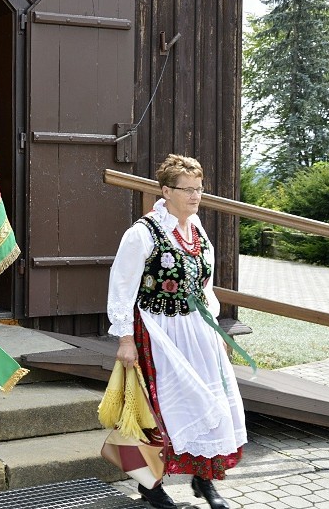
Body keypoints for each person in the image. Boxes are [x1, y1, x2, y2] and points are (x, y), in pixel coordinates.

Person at [108, 154, 245, 509]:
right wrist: (125, 338)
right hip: (157, 332)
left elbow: (206, 284)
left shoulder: (198, 229)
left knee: (209, 402)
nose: (196, 196)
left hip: (197, 332)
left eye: (199, 189)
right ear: (166, 191)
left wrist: (213, 328)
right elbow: (121, 287)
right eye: (187, 190)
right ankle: (149, 485)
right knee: (160, 409)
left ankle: (205, 481)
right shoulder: (143, 232)